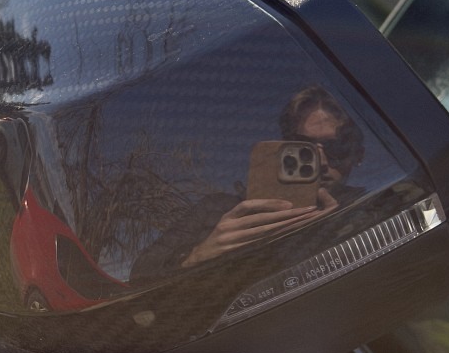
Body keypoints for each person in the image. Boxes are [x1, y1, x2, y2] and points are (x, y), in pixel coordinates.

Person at [130, 86, 364, 278]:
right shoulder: (219, 210)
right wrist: (198, 256)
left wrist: (339, 226)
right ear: (282, 148)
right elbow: (140, 274)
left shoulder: (368, 207)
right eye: (304, 149)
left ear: (357, 155)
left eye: (336, 148)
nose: (320, 161)